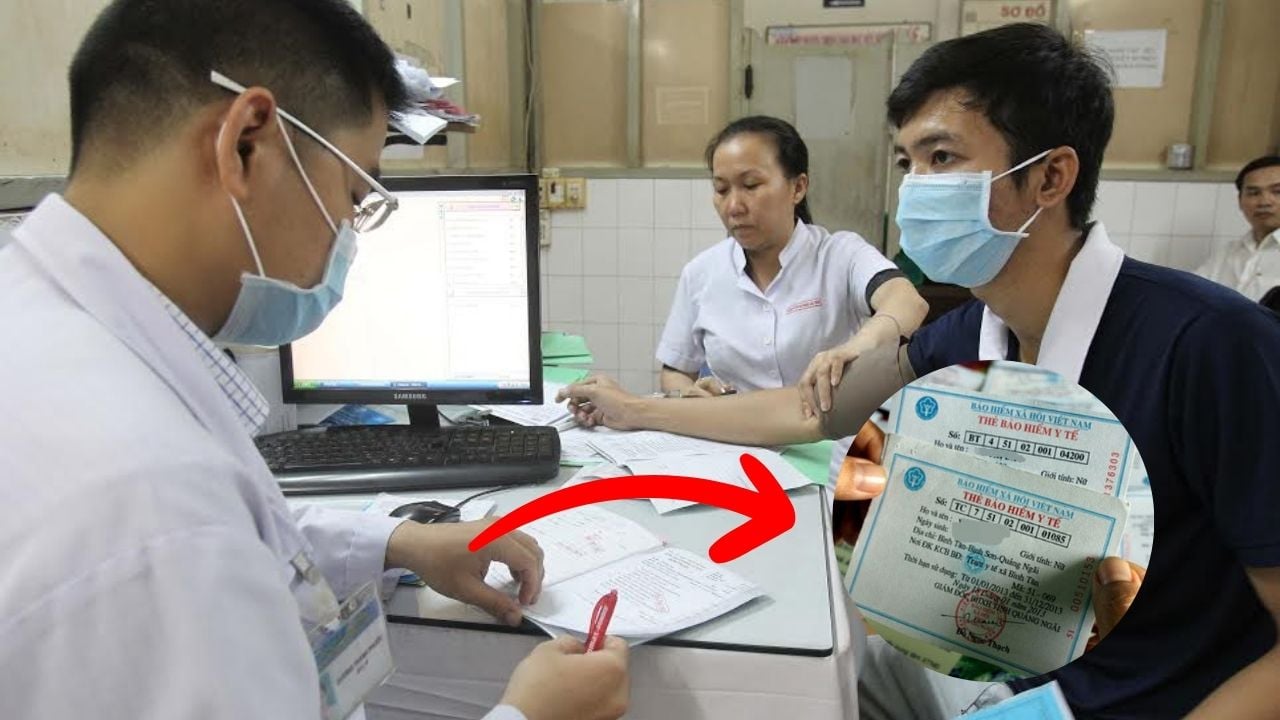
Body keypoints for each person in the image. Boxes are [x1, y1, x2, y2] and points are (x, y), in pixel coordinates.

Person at [561, 22, 1280, 719]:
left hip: (1125, 699)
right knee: (781, 674)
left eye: (942, 158)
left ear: (1051, 176)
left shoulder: (1210, 346)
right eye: (907, 163)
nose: (914, 190)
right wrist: (638, 409)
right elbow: (812, 411)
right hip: (1002, 661)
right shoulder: (975, 330)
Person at [0, 2, 628, 718]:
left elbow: (243, 536)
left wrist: (398, 543)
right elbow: (195, 538)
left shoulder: (43, 328)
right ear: (247, 143)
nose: (348, 234)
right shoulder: (151, 495)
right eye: (355, 195)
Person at [657, 115, 927, 398]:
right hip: (734, 425)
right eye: (721, 190)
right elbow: (675, 371)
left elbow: (907, 302)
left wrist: (855, 347)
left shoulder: (839, 255)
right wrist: (689, 393)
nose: (733, 206)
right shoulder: (701, 273)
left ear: (798, 188)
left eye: (751, 185)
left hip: (828, 424)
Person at [1195, 155, 1280, 301]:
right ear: (1240, 201)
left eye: (1277, 191)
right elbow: (1190, 294)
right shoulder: (1228, 253)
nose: (1264, 202)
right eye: (1254, 193)